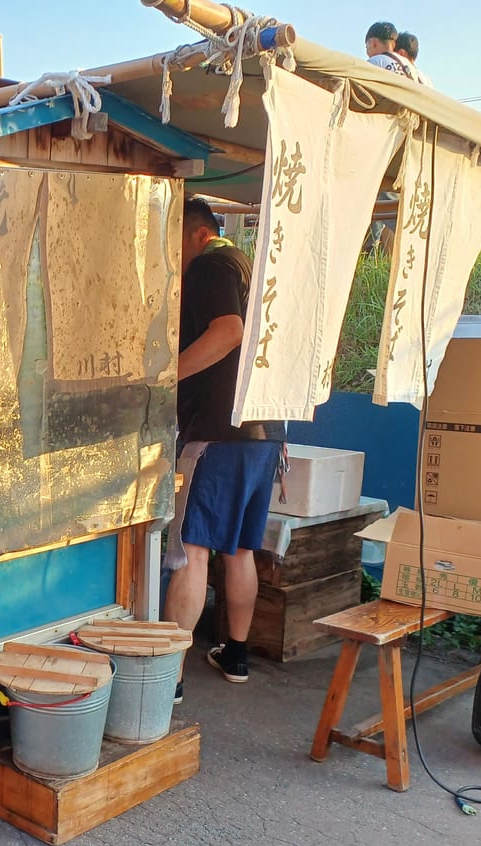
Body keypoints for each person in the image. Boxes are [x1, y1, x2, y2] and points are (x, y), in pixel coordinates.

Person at [164, 198, 285, 693]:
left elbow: (228, 332)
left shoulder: (210, 264)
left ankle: (166, 675)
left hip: (218, 432)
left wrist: (165, 377)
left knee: (191, 551)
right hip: (266, 435)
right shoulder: (250, 268)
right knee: (238, 550)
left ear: (197, 234)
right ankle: (235, 655)